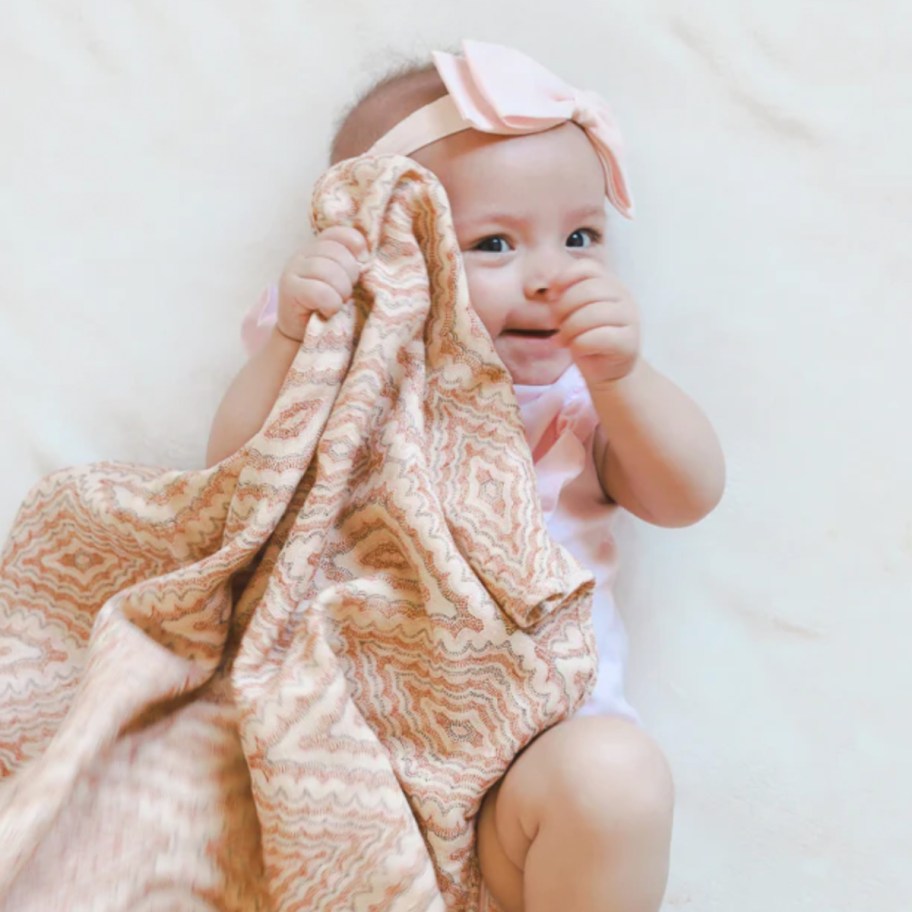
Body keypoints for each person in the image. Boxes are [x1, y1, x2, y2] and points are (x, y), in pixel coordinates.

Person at [207, 40, 725, 912]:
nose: (550, 275)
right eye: (492, 243)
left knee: (616, 779)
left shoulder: (577, 402)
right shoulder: (345, 367)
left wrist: (622, 378)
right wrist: (297, 339)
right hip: (347, 778)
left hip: (526, 780)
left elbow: (687, 494)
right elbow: (237, 478)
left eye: (580, 236)